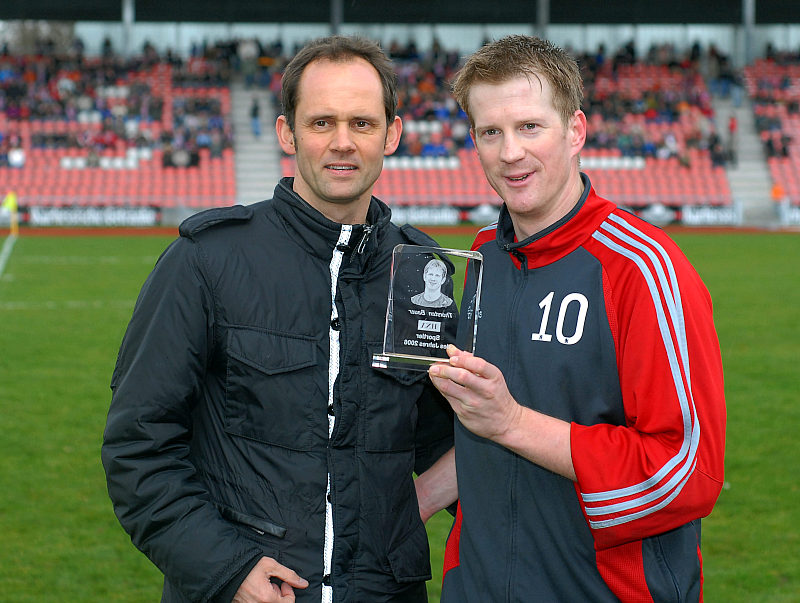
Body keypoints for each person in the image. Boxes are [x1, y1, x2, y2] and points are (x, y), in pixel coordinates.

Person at [102, 35, 456, 603]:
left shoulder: (422, 274)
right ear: (287, 133)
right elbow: (138, 445)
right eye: (322, 122)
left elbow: (445, 441)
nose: (343, 142)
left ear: (392, 134)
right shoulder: (206, 261)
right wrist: (227, 569)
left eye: (362, 123)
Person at [427, 35, 727, 602]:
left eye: (530, 127)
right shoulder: (484, 255)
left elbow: (689, 473)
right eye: (490, 132)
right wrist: (410, 506)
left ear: (575, 130)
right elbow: (481, 428)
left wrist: (513, 422)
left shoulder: (642, 267)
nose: (510, 152)